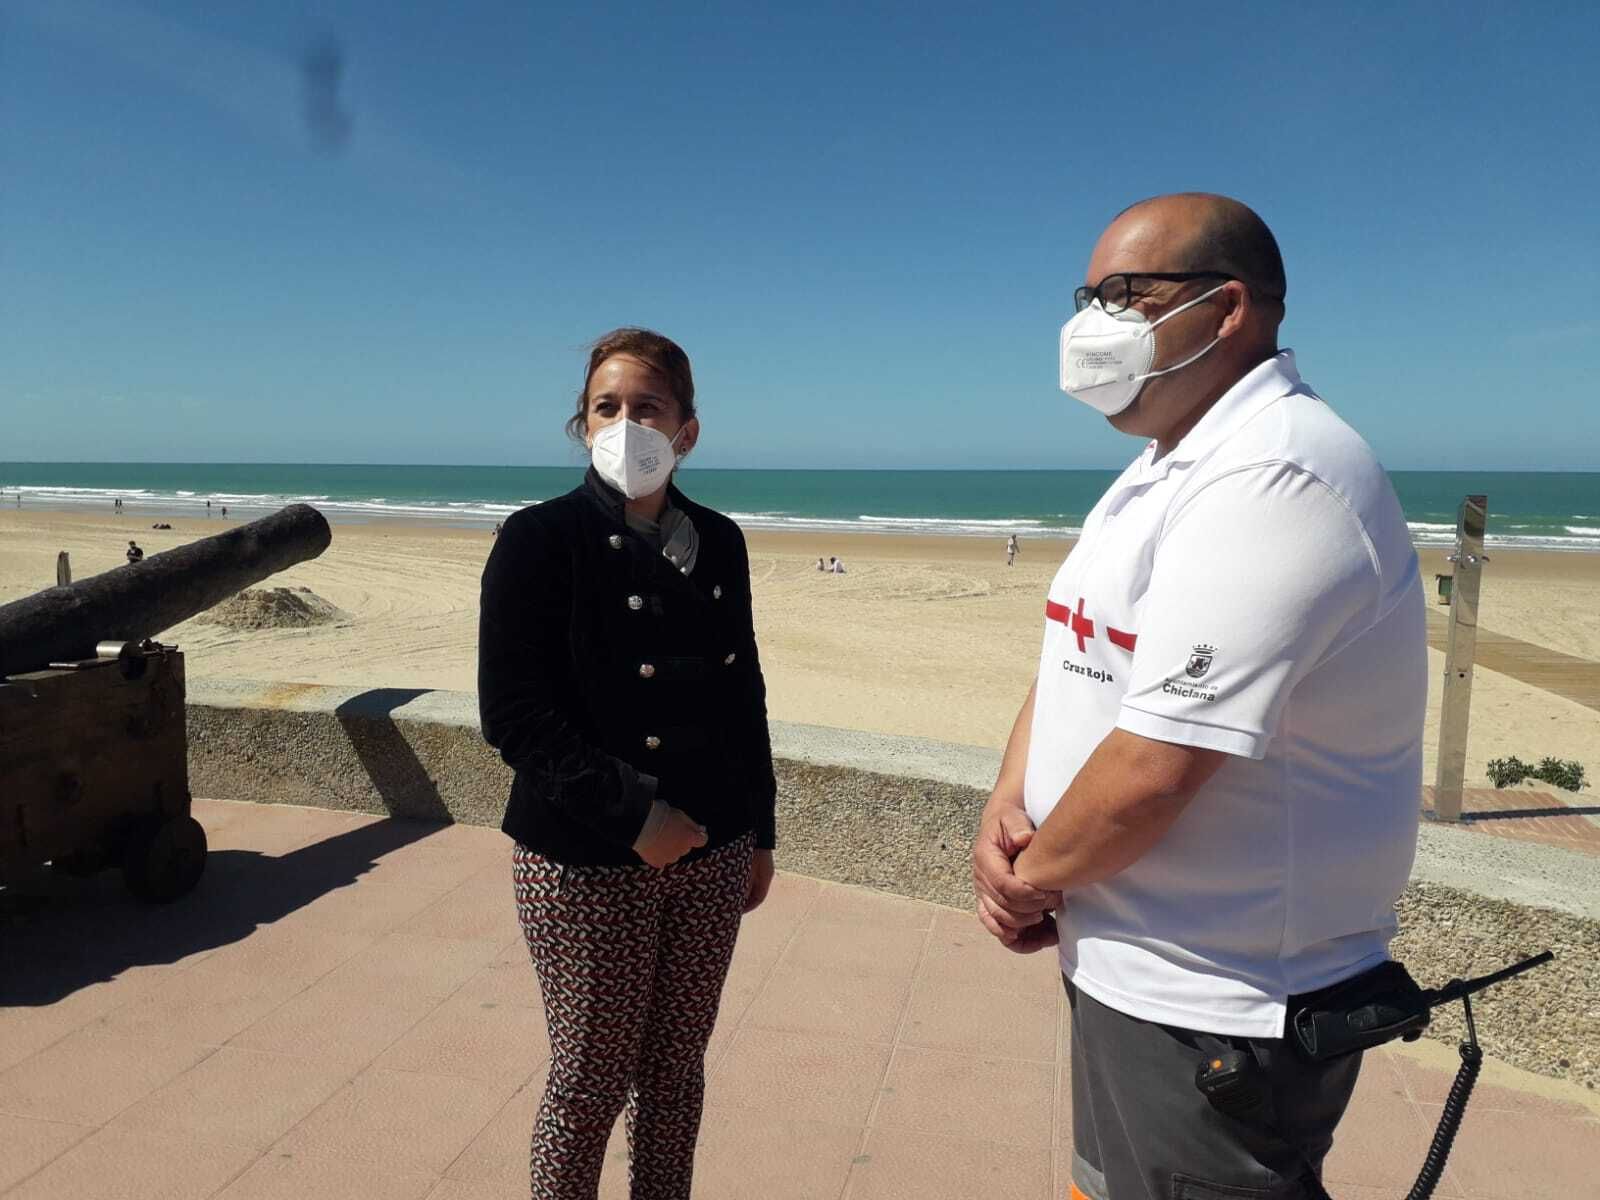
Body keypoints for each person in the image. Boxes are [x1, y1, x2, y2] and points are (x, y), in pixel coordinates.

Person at [971, 194, 1425, 1199]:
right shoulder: (1161, 467)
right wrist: (1009, 802)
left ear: (1226, 311)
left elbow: (1156, 765)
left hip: (1224, 1001)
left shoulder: (1277, 472)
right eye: (1086, 296)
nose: (1093, 323)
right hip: (1130, 964)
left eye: (1125, 296)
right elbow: (1076, 654)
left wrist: (1029, 876)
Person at [479, 327, 777, 1198]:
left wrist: (759, 830)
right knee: (587, 1084)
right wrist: (634, 816)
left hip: (715, 851)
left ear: (685, 430)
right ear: (582, 425)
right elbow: (514, 714)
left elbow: (742, 695)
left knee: (677, 1079)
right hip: (585, 857)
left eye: (647, 407)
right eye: (605, 407)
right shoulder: (539, 540)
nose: (625, 423)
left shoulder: (720, 542)